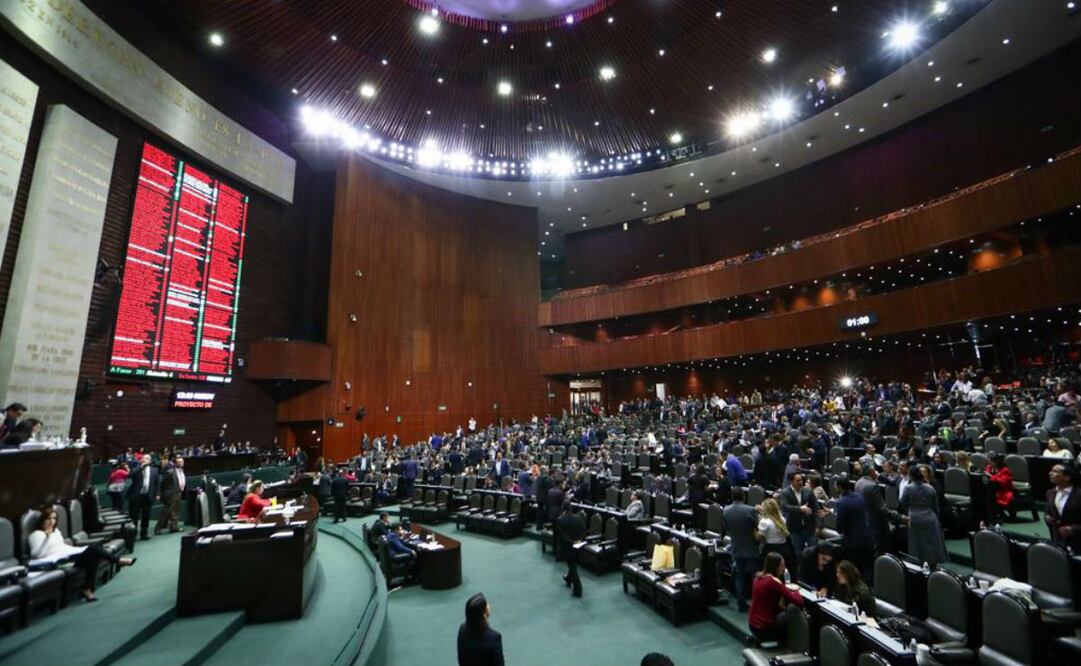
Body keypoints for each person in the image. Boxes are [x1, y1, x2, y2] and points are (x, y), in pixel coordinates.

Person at [29, 507, 136, 602]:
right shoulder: (36, 534)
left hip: (69, 555)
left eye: (53, 518)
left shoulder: (56, 531)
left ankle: (86, 589)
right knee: (93, 549)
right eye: (48, 519)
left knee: (94, 556)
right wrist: (46, 538)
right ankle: (118, 561)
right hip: (58, 561)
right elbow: (38, 555)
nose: (51, 522)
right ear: (42, 520)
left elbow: (61, 546)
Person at [748, 551, 804, 644]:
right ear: (776, 567)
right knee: (793, 613)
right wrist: (796, 590)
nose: (784, 568)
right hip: (764, 629)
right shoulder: (774, 582)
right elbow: (799, 602)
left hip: (752, 625)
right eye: (782, 566)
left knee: (782, 613)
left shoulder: (758, 577)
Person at [900, 463, 948, 565]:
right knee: (931, 543)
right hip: (930, 517)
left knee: (917, 545)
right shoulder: (930, 488)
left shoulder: (908, 488)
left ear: (911, 475)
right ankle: (932, 566)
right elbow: (935, 506)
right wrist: (937, 519)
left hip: (914, 517)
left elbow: (903, 503)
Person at [724, 488, 760, 612]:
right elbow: (758, 526)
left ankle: (741, 603)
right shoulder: (750, 510)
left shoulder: (726, 510)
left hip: (736, 547)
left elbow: (726, 528)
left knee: (740, 576)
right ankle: (757, 604)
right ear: (743, 496)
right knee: (755, 576)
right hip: (752, 547)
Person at [832, 478, 875, 582]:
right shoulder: (860, 496)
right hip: (867, 538)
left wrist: (836, 515)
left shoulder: (841, 502)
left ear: (839, 487)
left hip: (853, 542)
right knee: (868, 568)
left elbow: (839, 528)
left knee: (855, 570)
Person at [778, 473, 818, 574]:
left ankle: (813, 572)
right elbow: (785, 506)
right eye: (798, 480)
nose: (801, 482)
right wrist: (800, 509)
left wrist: (819, 518)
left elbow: (816, 507)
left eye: (801, 480)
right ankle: (801, 575)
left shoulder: (808, 491)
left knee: (813, 552)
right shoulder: (785, 493)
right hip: (795, 529)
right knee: (798, 553)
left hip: (809, 527)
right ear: (791, 481)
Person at [457, 593, 504, 666]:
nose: (488, 605)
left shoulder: (462, 630)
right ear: (484, 615)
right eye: (486, 605)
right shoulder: (494, 638)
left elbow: (461, 660)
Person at [1046, 464, 1081, 552]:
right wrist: (1048, 519)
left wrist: (1073, 529)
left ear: (1067, 477)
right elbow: (1047, 512)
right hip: (1057, 542)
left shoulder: (1079, 495)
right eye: (1051, 471)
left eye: (1055, 471)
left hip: (1077, 542)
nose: (1050, 473)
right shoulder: (1050, 493)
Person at [756, 498, 795, 576]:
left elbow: (759, 538)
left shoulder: (764, 522)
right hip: (784, 549)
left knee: (769, 573)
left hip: (770, 550)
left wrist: (753, 531)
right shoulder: (782, 519)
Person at [127, 454, 160, 540]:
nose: (145, 460)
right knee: (134, 516)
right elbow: (130, 475)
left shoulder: (155, 470)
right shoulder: (137, 469)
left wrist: (157, 494)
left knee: (146, 516)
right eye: (144, 458)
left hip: (148, 495)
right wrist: (141, 467)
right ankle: (133, 534)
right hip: (137, 495)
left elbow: (156, 483)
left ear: (150, 461)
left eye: (147, 458)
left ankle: (144, 533)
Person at [557, 502, 586, 597]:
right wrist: (578, 540)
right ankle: (568, 579)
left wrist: (572, 542)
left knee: (572, 567)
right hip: (579, 545)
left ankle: (578, 590)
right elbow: (583, 530)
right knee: (573, 565)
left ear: (562, 508)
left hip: (568, 547)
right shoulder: (579, 517)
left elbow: (562, 536)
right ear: (570, 507)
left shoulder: (561, 520)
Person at [155, 456, 186, 534]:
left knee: (176, 510)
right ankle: (158, 528)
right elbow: (162, 483)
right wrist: (159, 493)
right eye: (179, 462)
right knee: (166, 511)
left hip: (178, 492)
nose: (181, 463)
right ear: (175, 463)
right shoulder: (170, 471)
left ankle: (173, 527)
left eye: (182, 461)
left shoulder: (181, 470)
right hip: (171, 493)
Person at [985, 454, 1015, 522]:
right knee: (987, 493)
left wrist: (991, 476)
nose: (990, 463)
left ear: (997, 462)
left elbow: (1004, 482)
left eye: (991, 461)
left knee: (990, 495)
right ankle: (992, 516)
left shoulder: (1005, 470)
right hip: (993, 489)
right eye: (989, 461)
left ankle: (994, 516)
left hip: (1003, 491)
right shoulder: (989, 467)